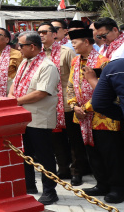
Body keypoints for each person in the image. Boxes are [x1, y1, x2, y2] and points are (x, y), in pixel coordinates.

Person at [66, 28, 123, 203]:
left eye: (75, 42)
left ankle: (117, 188)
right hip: (83, 117)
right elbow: (70, 87)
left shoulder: (103, 61)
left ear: (86, 41)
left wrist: (86, 107)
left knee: (111, 154)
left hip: (104, 117)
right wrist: (74, 106)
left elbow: (111, 92)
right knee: (92, 152)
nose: (72, 45)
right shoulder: (75, 61)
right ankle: (101, 184)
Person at [11, 31, 60, 205]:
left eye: (21, 45)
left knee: (44, 156)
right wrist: (11, 99)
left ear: (32, 46)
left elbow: (41, 93)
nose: (18, 48)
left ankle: (50, 191)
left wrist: (14, 101)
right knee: (25, 153)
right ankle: (29, 185)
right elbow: (14, 85)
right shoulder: (25, 62)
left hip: (39, 118)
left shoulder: (47, 66)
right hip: (22, 117)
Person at [39, 23, 86, 185]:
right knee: (56, 139)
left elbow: (76, 78)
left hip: (67, 102)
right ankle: (63, 168)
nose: (41, 35)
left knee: (74, 139)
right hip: (49, 102)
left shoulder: (66, 52)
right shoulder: (38, 54)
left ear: (54, 34)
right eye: (39, 32)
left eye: (45, 32)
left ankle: (77, 171)